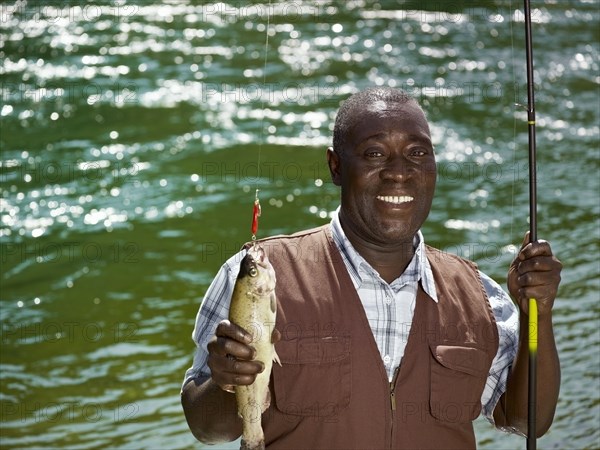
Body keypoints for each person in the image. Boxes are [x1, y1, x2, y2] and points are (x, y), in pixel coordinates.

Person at [181, 87, 562, 449]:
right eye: (375, 154)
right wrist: (225, 381)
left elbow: (527, 420)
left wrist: (537, 316)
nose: (399, 171)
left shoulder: (480, 294)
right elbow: (208, 429)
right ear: (335, 166)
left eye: (417, 153)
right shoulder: (255, 277)